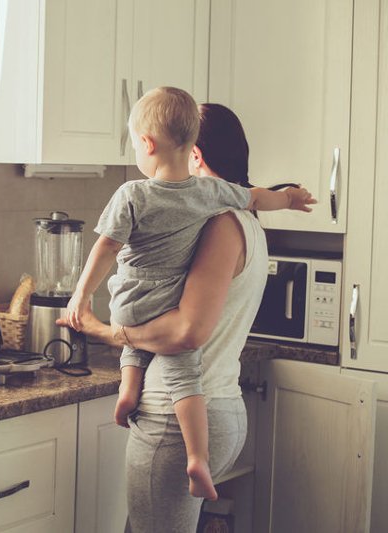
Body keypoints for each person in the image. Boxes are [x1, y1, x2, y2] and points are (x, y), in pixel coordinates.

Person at [63, 88, 315, 501]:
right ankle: (136, 399)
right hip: (219, 408)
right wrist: (288, 197)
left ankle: (132, 395)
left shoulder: (217, 223)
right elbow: (259, 196)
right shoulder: (238, 214)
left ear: (195, 153)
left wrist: (106, 329)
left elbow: (185, 333)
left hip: (174, 419)